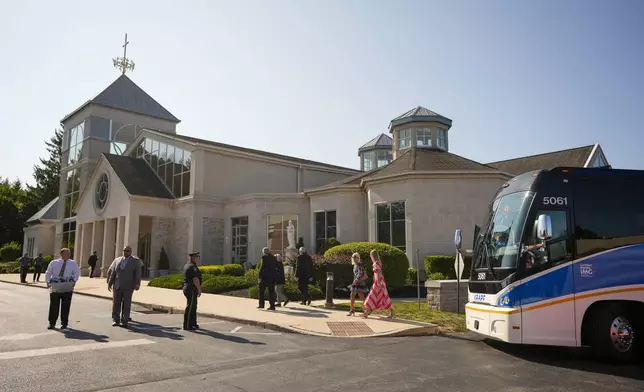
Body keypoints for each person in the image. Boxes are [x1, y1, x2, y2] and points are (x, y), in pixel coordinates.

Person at [107, 245, 142, 328]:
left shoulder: (135, 261)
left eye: (127, 251)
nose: (126, 252)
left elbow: (138, 273)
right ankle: (116, 320)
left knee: (126, 304)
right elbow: (113, 272)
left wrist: (137, 284)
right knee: (116, 303)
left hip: (128, 286)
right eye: (124, 250)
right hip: (117, 285)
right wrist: (110, 283)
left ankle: (125, 321)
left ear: (130, 252)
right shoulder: (117, 260)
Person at [45, 248, 80, 329]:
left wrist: (73, 281)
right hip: (56, 285)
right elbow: (48, 272)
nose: (68, 255)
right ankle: (52, 323)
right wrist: (47, 281)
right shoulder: (54, 263)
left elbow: (76, 273)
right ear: (61, 254)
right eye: (66, 253)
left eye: (69, 254)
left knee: (66, 305)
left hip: (67, 285)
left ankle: (64, 323)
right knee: (54, 305)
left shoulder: (73, 263)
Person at [362, 250, 395, 319]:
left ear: (372, 256)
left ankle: (367, 312)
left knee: (372, 296)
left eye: (371, 255)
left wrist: (378, 282)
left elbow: (378, 273)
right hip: (381, 281)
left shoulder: (375, 263)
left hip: (378, 282)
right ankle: (392, 312)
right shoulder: (379, 262)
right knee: (384, 296)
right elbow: (380, 273)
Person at [183, 252, 202, 330]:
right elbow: (195, 279)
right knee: (190, 306)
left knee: (193, 306)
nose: (198, 258)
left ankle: (193, 323)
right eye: (197, 257)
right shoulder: (192, 267)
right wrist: (199, 289)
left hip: (189, 288)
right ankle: (187, 325)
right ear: (194, 257)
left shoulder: (189, 265)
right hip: (191, 289)